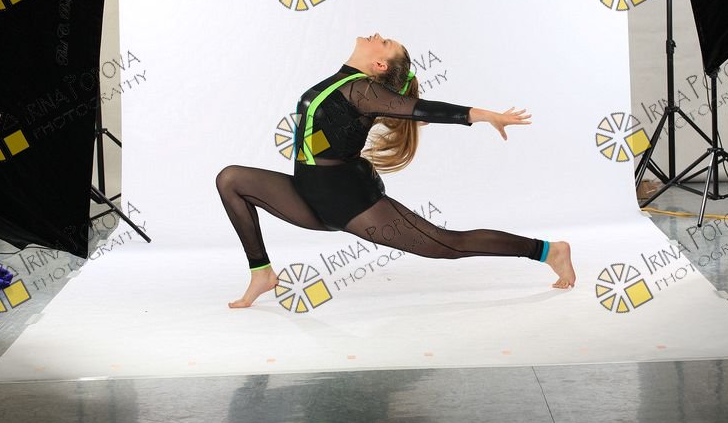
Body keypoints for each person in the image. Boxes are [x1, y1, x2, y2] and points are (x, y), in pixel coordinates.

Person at [216, 33, 575, 308]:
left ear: (379, 66)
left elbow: (423, 109)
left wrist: (483, 115)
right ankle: (262, 273)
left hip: (350, 202)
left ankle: (548, 251)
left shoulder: (363, 90)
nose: (377, 35)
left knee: (447, 244)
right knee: (231, 179)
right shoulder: (341, 82)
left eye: (384, 42)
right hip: (308, 195)